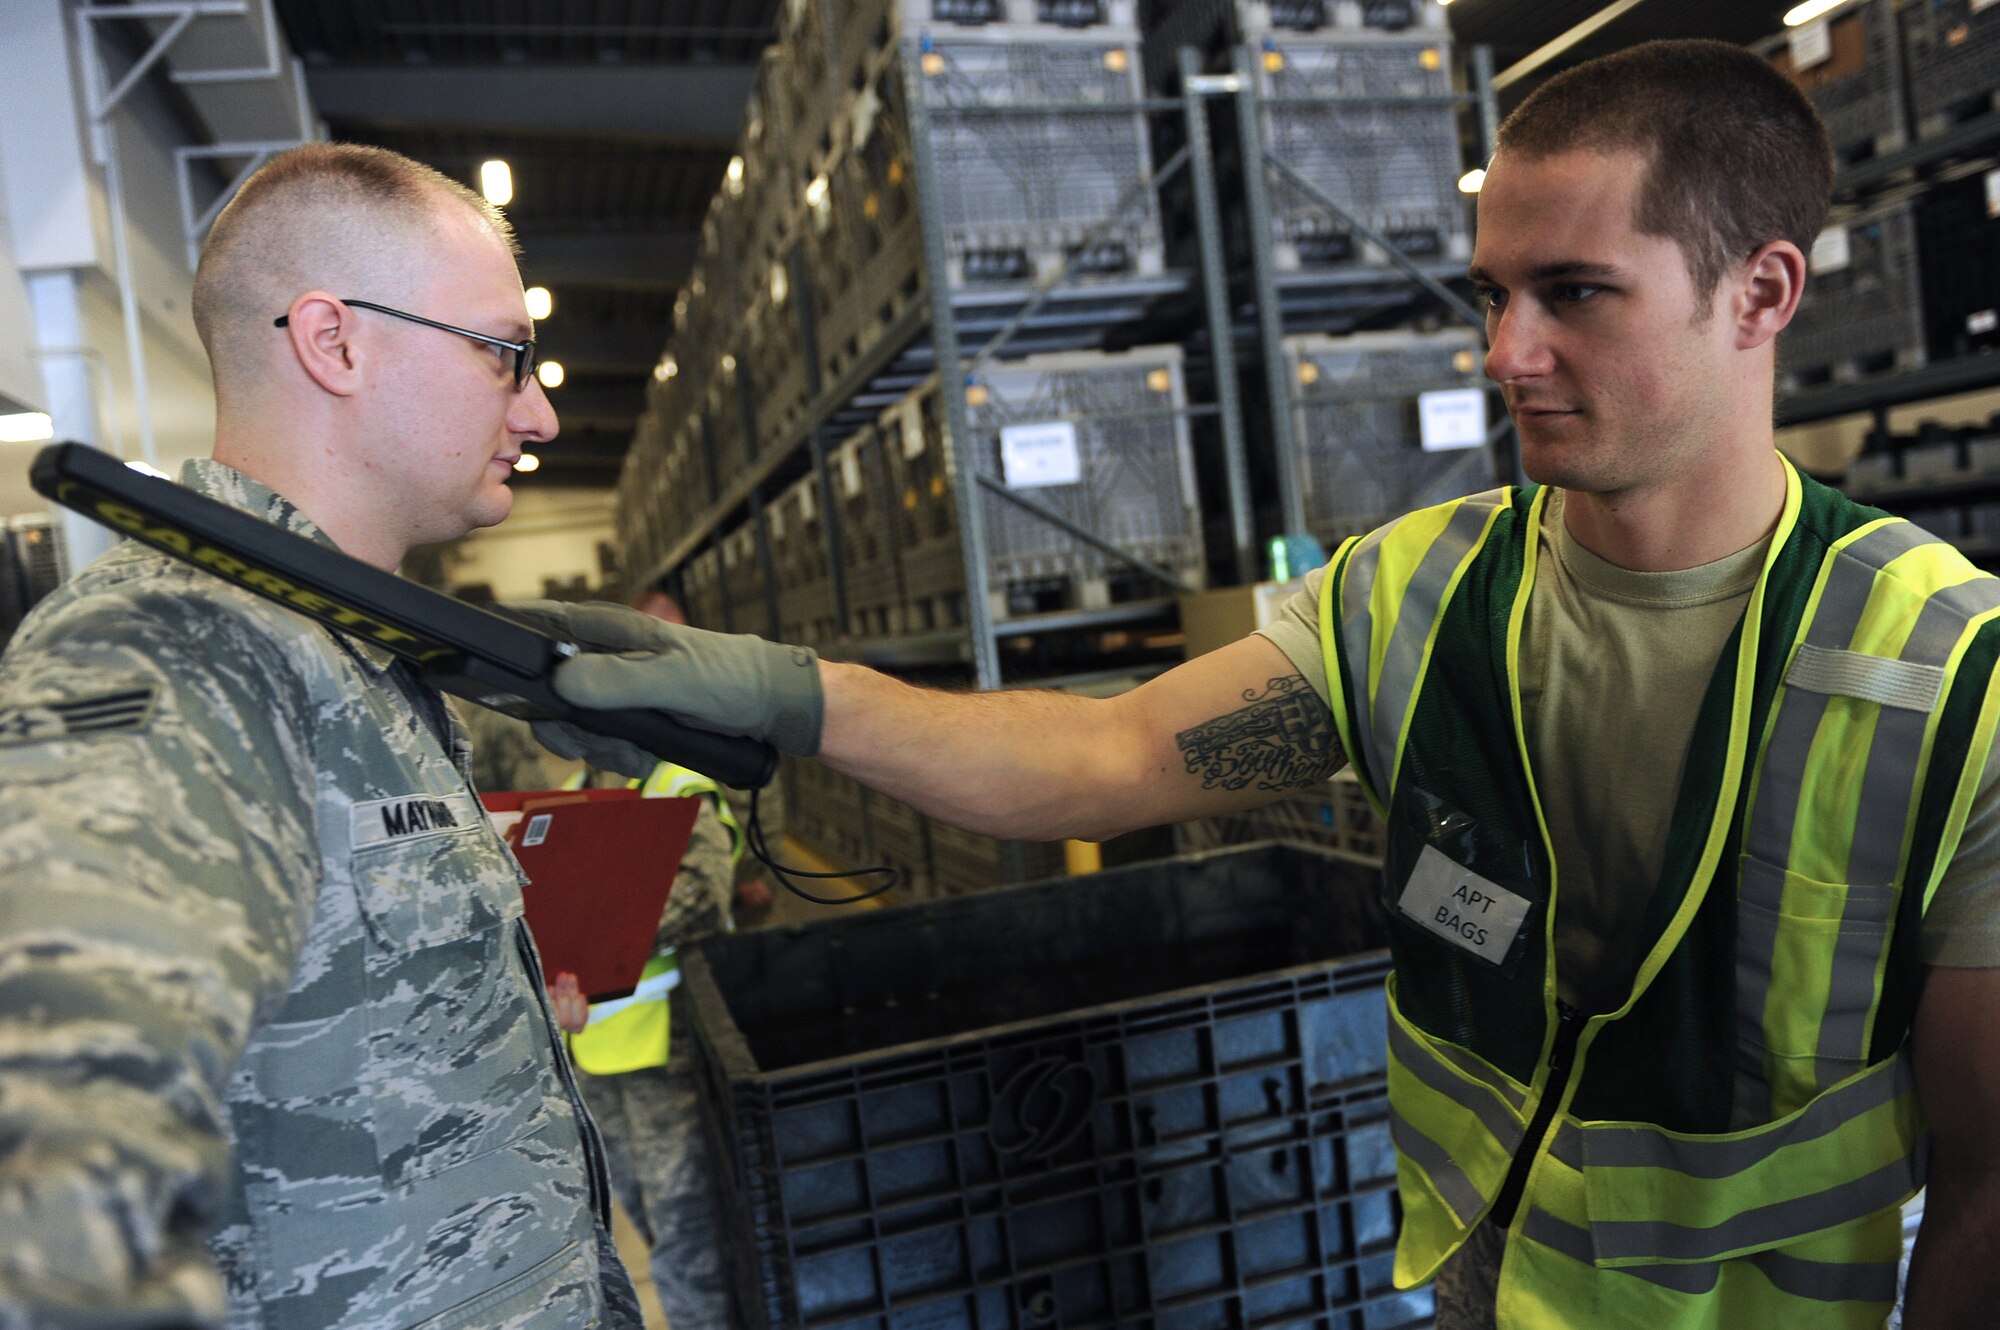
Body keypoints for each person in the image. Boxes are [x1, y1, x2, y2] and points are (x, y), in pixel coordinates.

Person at [522, 41, 2000, 1330]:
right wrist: (798, 692)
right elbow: (1103, 755)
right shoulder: (1416, 595)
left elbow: (1992, 1170)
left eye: (1575, 293)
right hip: (1487, 1282)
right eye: (1494, 292)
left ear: (1764, 292)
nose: (1507, 351)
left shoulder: (1953, 676)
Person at [0, 143, 644, 1329]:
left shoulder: (357, 648)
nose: (540, 408)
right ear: (335, 342)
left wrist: (480, 1028)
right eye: (504, 355)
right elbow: (46, 1208)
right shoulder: (174, 646)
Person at [543, 589, 745, 1330]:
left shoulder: (679, 784)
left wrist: (589, 928)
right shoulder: (569, 799)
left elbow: (699, 893)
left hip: (670, 1054)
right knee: (646, 1223)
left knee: (690, 1239)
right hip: (596, 1054)